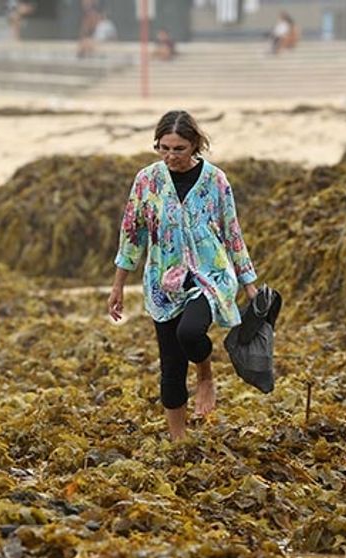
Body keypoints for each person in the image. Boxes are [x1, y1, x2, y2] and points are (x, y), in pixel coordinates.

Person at [107, 111, 259, 442]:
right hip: (163, 281)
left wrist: (249, 283)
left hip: (210, 274)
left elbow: (233, 232)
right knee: (171, 367)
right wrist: (118, 285)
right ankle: (179, 441)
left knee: (190, 333)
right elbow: (132, 235)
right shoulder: (147, 181)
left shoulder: (215, 180)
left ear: (195, 145)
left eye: (179, 149)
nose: (170, 156)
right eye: (164, 148)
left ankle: (205, 374)